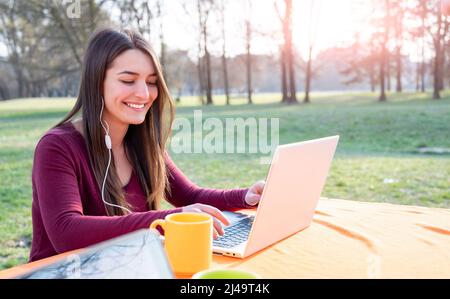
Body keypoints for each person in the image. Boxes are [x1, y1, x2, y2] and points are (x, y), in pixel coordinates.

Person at [29, 28, 265, 262]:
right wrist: (168, 222)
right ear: (96, 82)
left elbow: (188, 195)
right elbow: (66, 231)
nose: (143, 93)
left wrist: (246, 197)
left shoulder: (143, 143)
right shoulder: (57, 147)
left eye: (151, 82)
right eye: (128, 80)